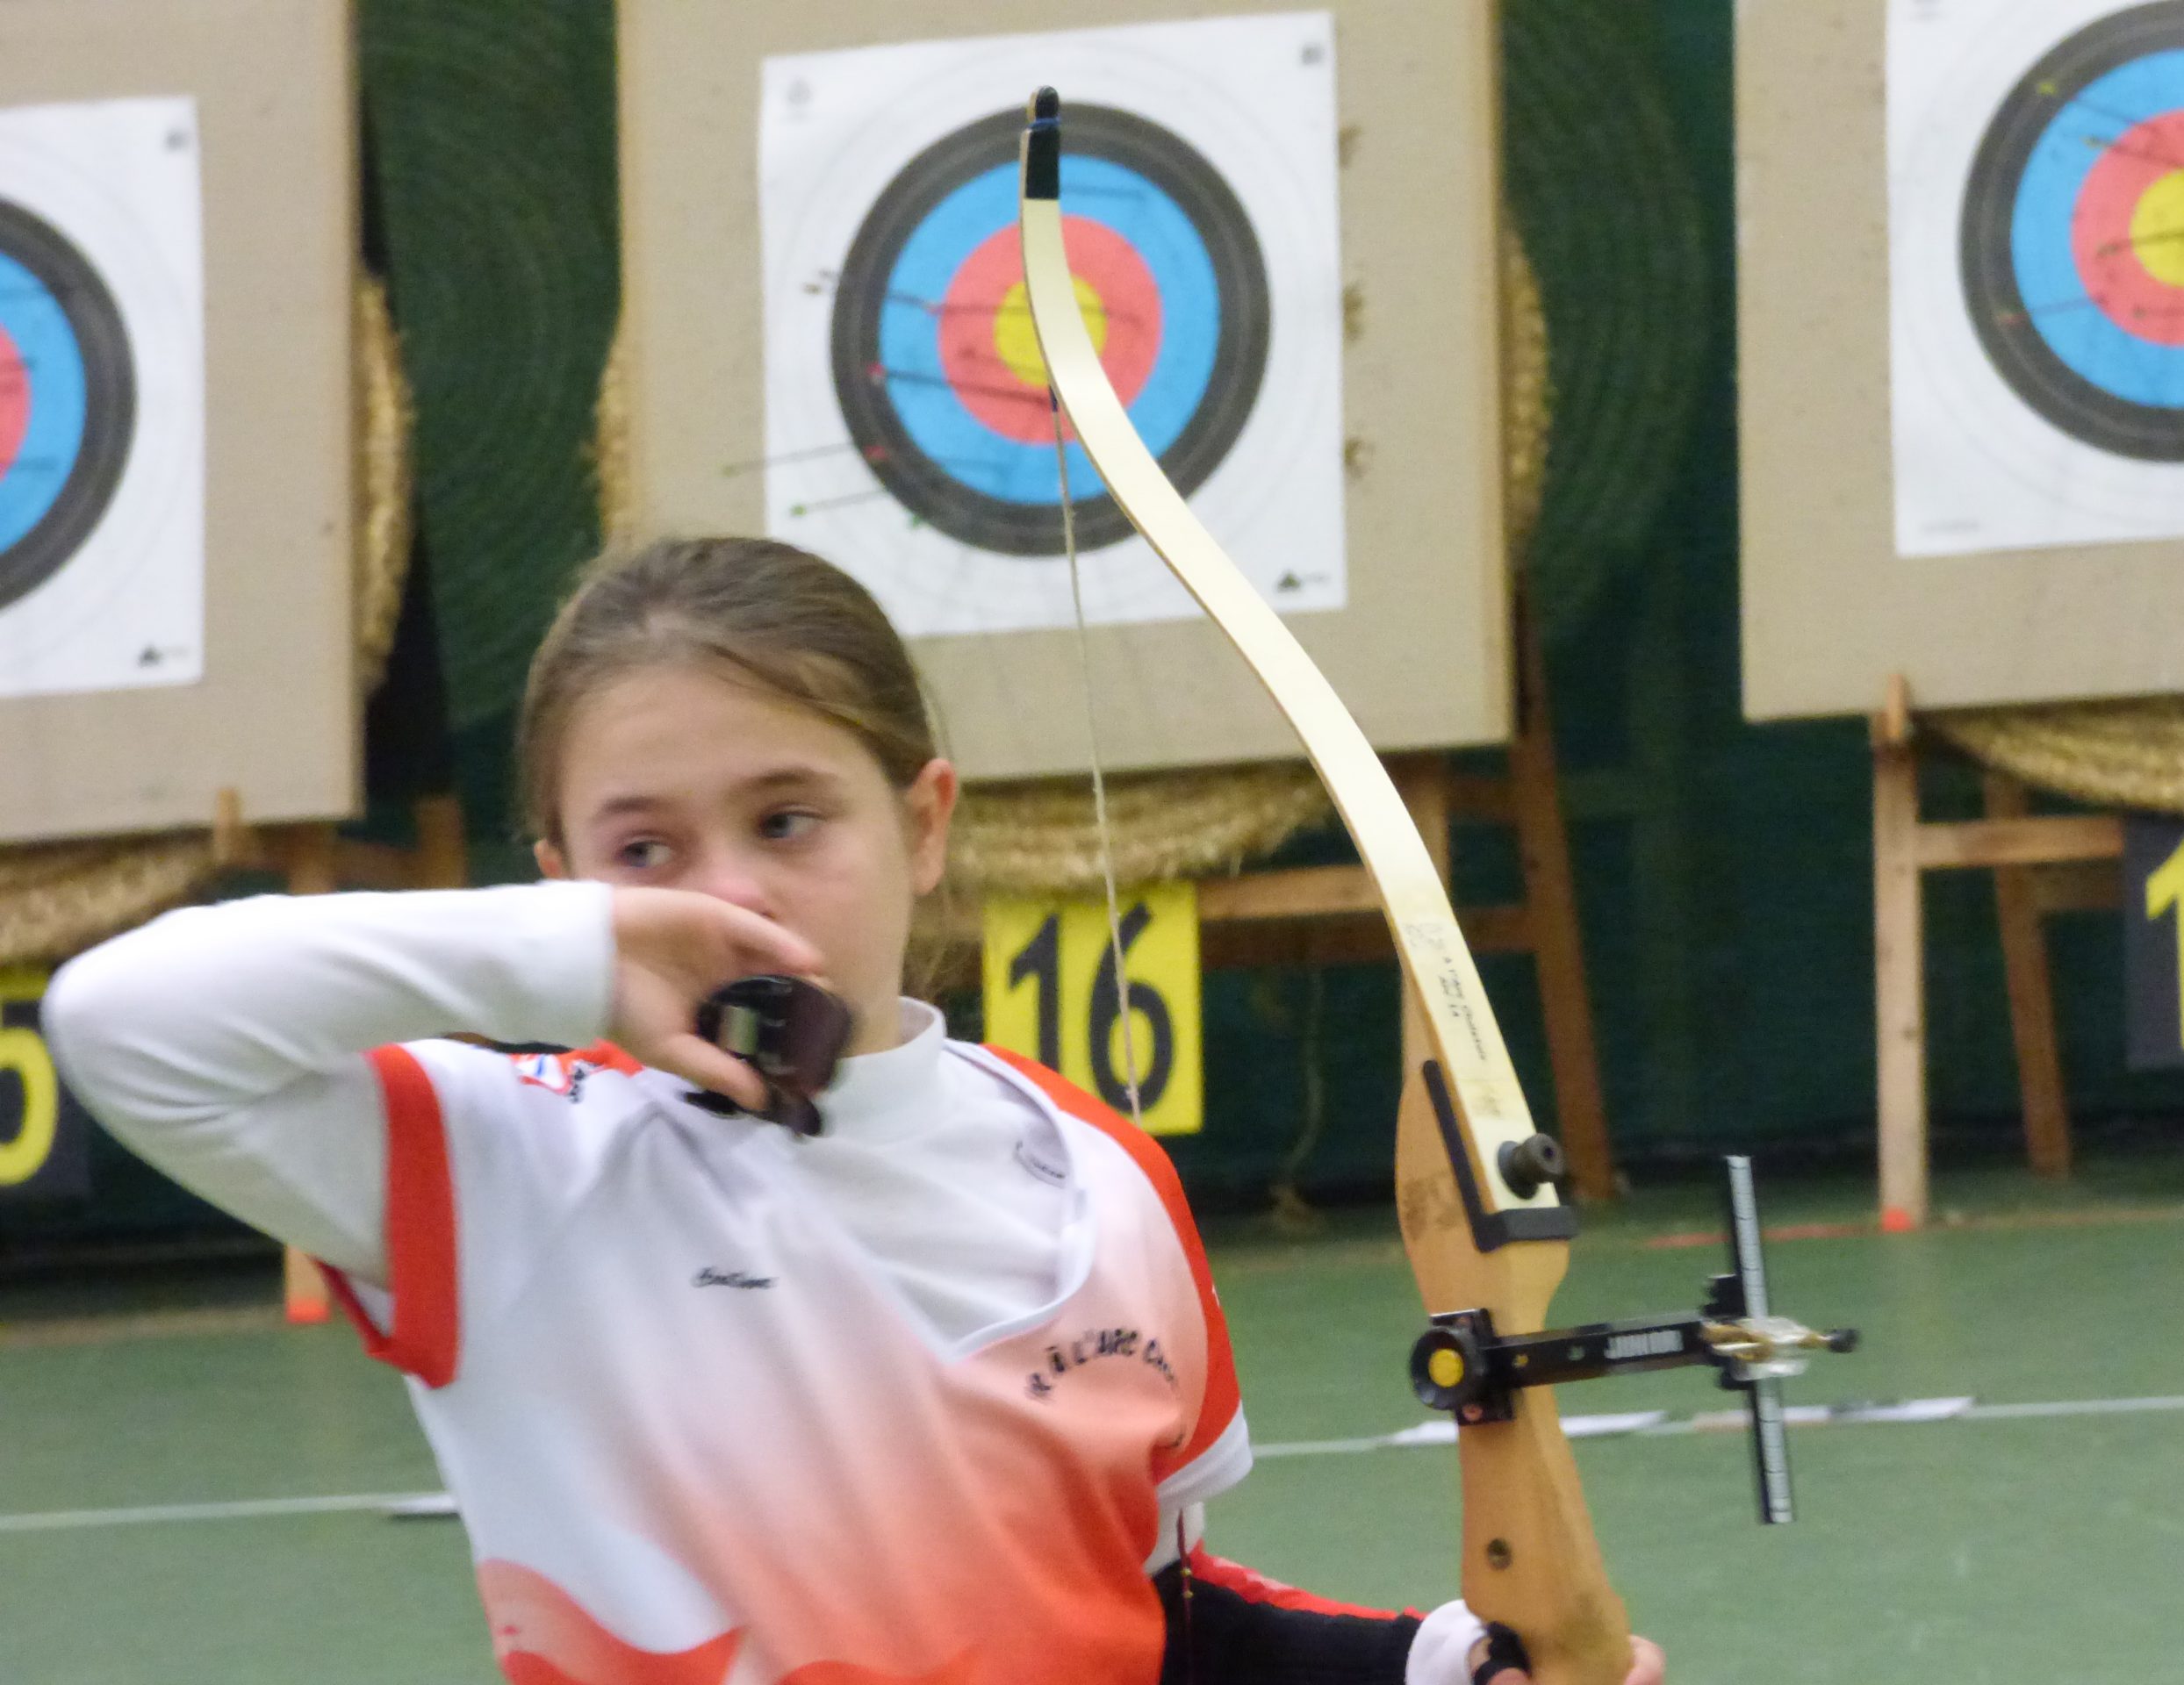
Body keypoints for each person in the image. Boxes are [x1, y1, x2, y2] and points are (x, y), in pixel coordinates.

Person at [47, 536, 1662, 1685]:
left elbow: (1154, 1613)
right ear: (560, 883)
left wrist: (1424, 1666)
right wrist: (576, 956)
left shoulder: (1097, 1177)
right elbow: (129, 1026)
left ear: (925, 822)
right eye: (645, 851)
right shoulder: (505, 1167)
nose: (730, 896)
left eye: (788, 819)